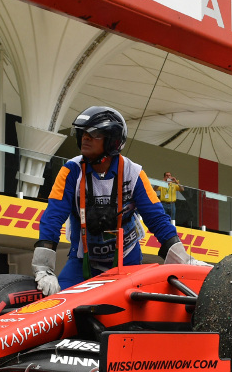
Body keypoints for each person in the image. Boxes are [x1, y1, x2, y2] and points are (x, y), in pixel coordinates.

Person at [32, 106, 197, 294]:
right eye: (83, 133)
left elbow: (157, 219)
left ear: (113, 140)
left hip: (127, 260)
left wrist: (183, 260)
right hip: (83, 262)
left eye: (93, 134)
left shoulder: (133, 172)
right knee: (57, 306)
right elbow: (52, 217)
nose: (85, 137)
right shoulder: (71, 171)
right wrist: (44, 268)